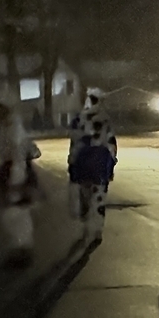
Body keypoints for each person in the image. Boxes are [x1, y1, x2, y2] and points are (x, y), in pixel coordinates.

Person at [0, 101, 40, 266]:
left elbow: (17, 155)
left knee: (15, 214)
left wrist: (16, 180)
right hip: (12, 170)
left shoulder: (12, 129)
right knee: (15, 214)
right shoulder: (5, 127)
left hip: (16, 171)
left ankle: (22, 250)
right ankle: (21, 248)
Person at [66, 87, 117, 245]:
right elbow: (111, 143)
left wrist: (72, 161)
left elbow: (75, 143)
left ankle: (88, 228)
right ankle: (96, 230)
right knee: (99, 197)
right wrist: (112, 163)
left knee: (86, 196)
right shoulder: (105, 120)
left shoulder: (79, 120)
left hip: (83, 162)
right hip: (100, 163)